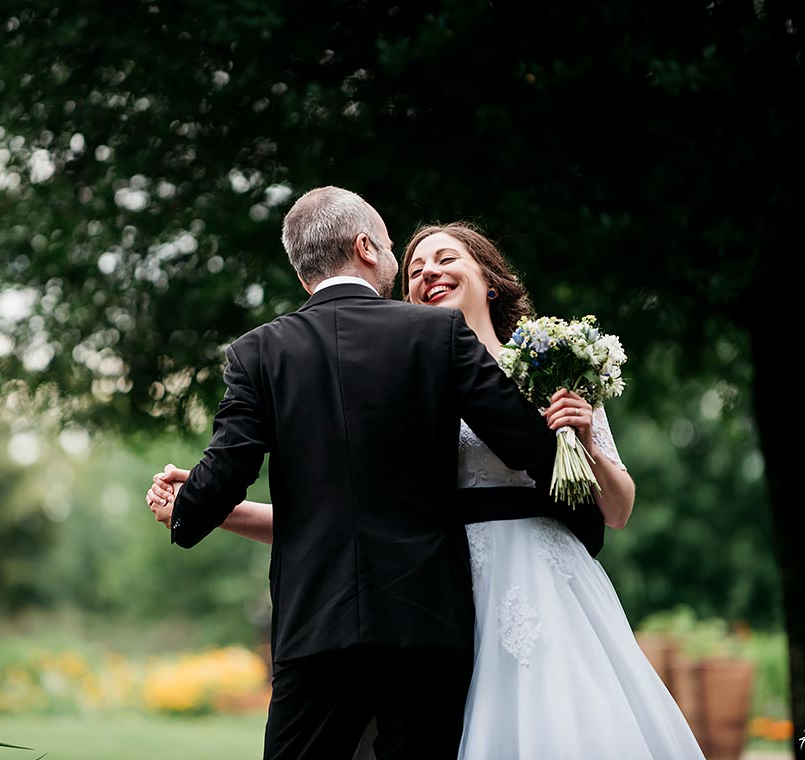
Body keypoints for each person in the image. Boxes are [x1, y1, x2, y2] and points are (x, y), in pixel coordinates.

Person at [151, 221, 706, 759]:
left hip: (530, 579)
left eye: (445, 259)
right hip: (436, 598)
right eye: (415, 267)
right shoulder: (413, 364)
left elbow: (612, 507)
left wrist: (580, 443)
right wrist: (212, 508)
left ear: (490, 278)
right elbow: (344, 510)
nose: (427, 273)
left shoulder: (547, 365)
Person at [156, 187, 557, 760]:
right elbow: (524, 443)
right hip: (424, 620)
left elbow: (228, 467)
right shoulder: (437, 335)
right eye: (393, 245)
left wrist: (186, 505)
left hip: (314, 621)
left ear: (304, 277)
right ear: (366, 247)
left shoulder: (258, 353)